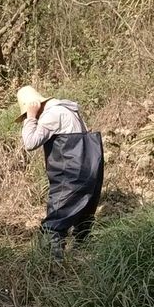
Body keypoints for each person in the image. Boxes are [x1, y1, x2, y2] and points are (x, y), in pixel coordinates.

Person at [16, 85, 104, 260]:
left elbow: (30, 142)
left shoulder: (52, 115)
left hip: (70, 168)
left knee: (58, 216)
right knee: (84, 210)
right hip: (89, 166)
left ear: (34, 105)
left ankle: (50, 263)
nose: (27, 116)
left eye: (25, 113)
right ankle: (83, 254)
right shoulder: (69, 110)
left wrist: (32, 117)